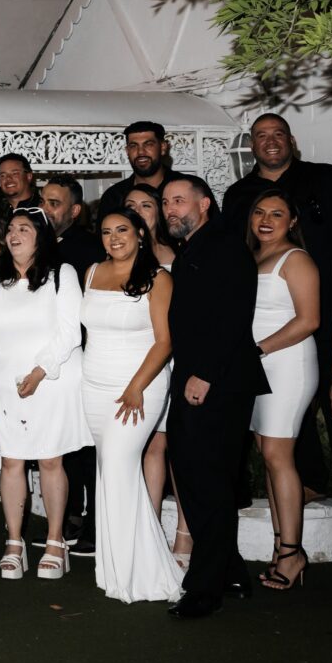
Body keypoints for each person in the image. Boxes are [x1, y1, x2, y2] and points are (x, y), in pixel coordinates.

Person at [224, 113, 332, 500]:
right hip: (268, 316)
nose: (270, 141)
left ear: (291, 140)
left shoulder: (327, 178)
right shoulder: (238, 195)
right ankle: (308, 483)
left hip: (330, 307)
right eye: (261, 136)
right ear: (252, 145)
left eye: (277, 134)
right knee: (272, 428)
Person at [161, 176, 265, 619]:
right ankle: (232, 571)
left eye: (179, 200)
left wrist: (205, 374)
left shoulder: (223, 245)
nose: (170, 209)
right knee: (199, 476)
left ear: (204, 204)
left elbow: (233, 316)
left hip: (217, 382)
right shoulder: (194, 249)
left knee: (207, 481)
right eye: (165, 202)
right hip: (199, 379)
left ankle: (204, 589)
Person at [0, 209, 87, 580]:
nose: (16, 234)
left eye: (25, 228)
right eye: (12, 229)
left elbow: (69, 332)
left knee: (51, 459)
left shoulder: (61, 274)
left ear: (41, 236)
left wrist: (39, 372)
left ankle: (55, 542)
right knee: (13, 459)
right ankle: (14, 542)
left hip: (51, 378)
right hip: (4, 379)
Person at [79, 209, 184, 603]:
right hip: (94, 387)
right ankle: (115, 568)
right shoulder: (91, 272)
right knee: (110, 475)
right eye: (106, 232)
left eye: (122, 230)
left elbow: (164, 341)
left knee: (122, 468)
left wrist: (137, 386)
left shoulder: (159, 278)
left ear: (140, 233)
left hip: (139, 387)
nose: (114, 238)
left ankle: (144, 573)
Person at [244, 190, 321, 591]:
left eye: (277, 213)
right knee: (268, 453)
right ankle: (281, 546)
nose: (266, 219)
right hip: (254, 366)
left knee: (278, 454)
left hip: (285, 363)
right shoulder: (252, 257)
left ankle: (293, 553)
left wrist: (256, 350)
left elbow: (309, 320)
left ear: (292, 221)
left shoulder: (297, 259)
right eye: (260, 211)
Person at [41, 175, 106, 557]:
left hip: (85, 354)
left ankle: (95, 527)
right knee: (68, 444)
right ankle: (72, 519)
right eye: (44, 202)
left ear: (74, 210)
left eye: (55, 202)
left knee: (88, 446)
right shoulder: (45, 246)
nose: (48, 209)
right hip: (52, 359)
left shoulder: (88, 248)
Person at [122, 184, 186, 559]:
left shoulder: (180, 251)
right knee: (151, 444)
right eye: (131, 205)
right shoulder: (116, 257)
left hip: (177, 355)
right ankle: (148, 533)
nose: (140, 211)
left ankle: (184, 533)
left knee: (179, 445)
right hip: (137, 361)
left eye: (148, 205)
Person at [98, 121, 190, 217]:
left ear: (163, 147)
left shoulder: (190, 188)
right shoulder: (114, 197)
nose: (141, 152)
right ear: (127, 151)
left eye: (148, 144)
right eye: (133, 146)